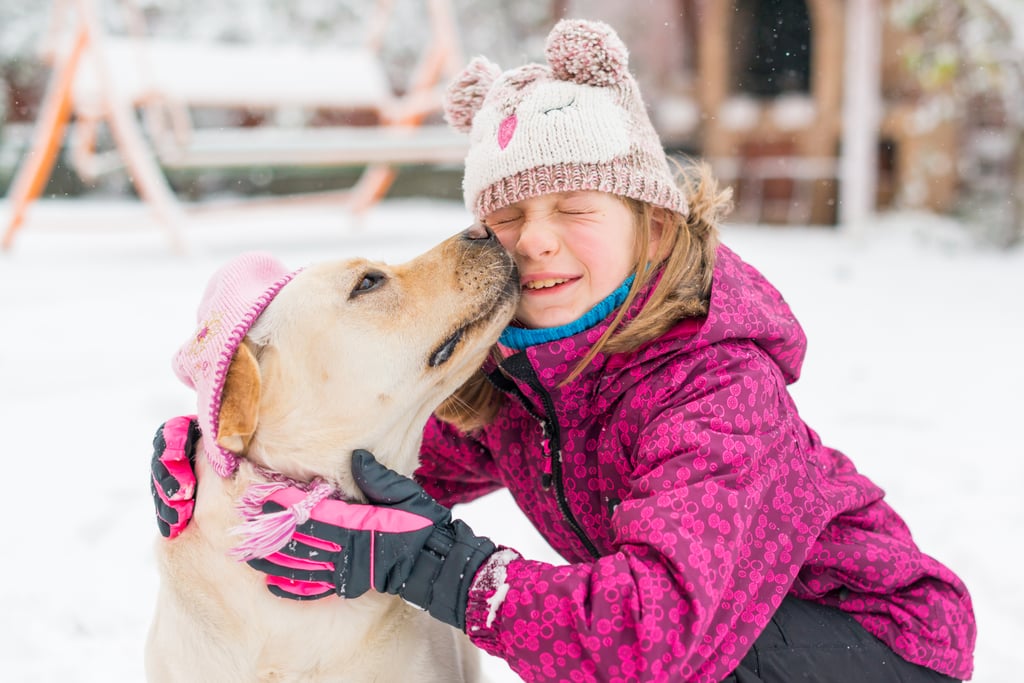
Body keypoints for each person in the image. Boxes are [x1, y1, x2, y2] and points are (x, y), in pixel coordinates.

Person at [150, 19, 975, 683]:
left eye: (575, 206)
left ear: (653, 224)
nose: (535, 241)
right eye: (509, 216)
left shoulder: (716, 386)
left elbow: (653, 641)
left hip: (876, 647)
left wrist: (444, 568)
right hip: (711, 640)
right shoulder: (533, 372)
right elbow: (389, 462)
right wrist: (229, 462)